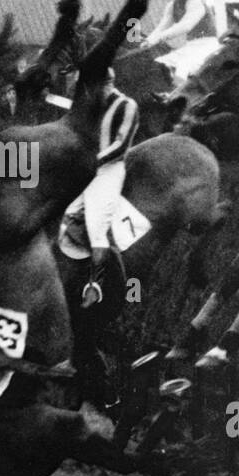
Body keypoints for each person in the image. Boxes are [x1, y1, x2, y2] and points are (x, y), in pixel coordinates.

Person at [64, 69, 140, 308]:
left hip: (109, 171)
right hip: (85, 168)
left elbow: (121, 145)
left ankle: (94, 286)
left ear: (106, 84)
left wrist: (92, 161)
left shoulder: (127, 105)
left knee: (96, 229)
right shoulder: (91, 107)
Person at [142, 0, 219, 86]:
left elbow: (186, 25)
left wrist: (160, 38)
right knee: (160, 62)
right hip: (190, 46)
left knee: (183, 65)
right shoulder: (172, 6)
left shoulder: (195, 2)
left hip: (208, 45)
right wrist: (148, 41)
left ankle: (180, 100)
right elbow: (161, 27)